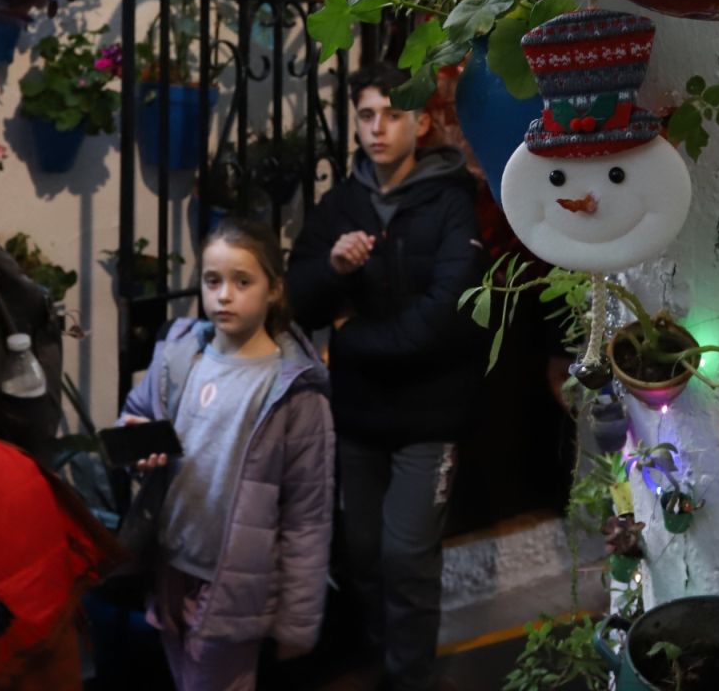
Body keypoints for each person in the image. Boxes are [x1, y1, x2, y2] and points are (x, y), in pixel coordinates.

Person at [288, 62, 486, 691]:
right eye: (367, 115)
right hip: (358, 415)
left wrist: (350, 339)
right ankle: (380, 663)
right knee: (364, 554)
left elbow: (445, 317)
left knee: (407, 557)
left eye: (392, 115)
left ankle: (410, 679)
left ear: (420, 123)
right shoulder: (340, 206)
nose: (377, 128)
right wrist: (334, 269)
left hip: (430, 415)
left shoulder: (451, 202)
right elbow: (297, 302)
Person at [119, 220, 334, 691]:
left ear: (274, 290)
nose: (224, 296)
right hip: (171, 565)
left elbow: (307, 516)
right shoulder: (180, 358)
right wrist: (134, 442)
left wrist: (297, 620)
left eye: (242, 282)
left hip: (235, 585)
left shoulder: (294, 392)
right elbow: (136, 414)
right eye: (212, 281)